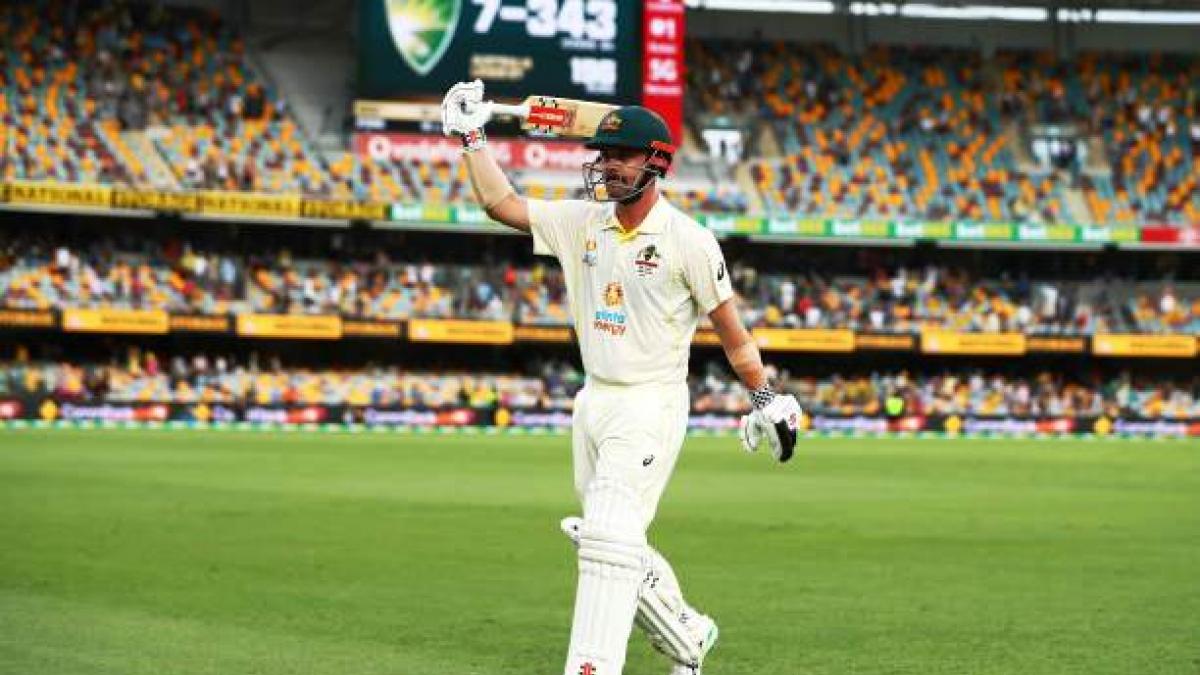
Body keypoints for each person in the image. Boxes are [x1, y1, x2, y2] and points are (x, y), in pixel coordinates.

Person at [441, 80, 801, 675]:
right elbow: (502, 205)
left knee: (607, 537)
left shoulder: (688, 240)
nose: (606, 166)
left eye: (620, 156)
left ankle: (592, 667)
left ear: (655, 162)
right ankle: (688, 636)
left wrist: (766, 398)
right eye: (603, 156)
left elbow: (732, 334)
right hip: (595, 403)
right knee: (615, 540)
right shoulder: (582, 222)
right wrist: (473, 137)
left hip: (650, 404)